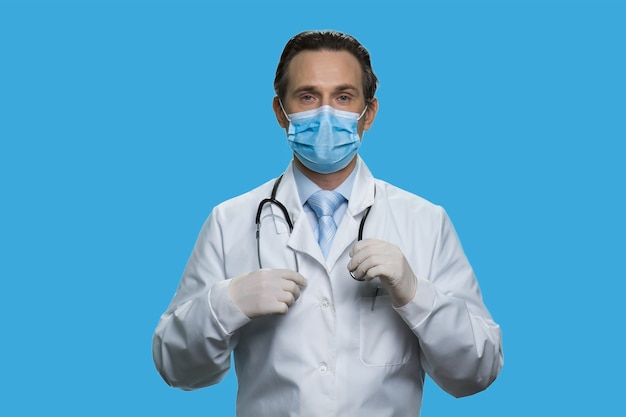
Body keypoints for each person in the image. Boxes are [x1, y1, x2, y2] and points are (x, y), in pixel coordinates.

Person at [152, 30, 503, 416]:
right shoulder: (229, 221)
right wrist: (226, 304)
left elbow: (476, 372)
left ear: (367, 114)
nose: (324, 113)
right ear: (279, 112)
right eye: (307, 96)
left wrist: (415, 294)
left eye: (343, 97)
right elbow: (177, 369)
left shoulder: (425, 221)